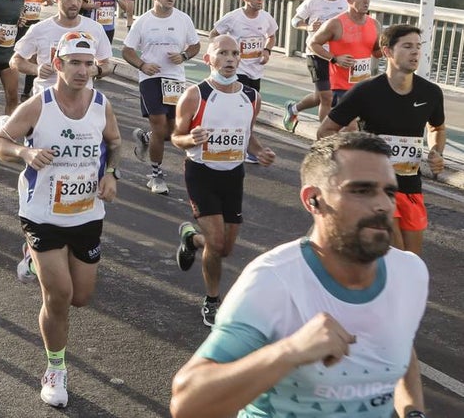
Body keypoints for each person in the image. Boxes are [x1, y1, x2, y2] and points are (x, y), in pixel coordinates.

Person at [170, 133, 428, 418]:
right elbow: (188, 403)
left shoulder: (410, 272)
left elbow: (403, 345)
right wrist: (290, 351)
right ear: (313, 200)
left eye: (389, 192)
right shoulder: (272, 281)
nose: (383, 204)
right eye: (361, 190)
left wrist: (413, 410)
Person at [0, 32, 121, 409]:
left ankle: (30, 258)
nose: (83, 70)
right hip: (42, 213)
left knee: (80, 298)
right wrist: (23, 151)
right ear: (58, 64)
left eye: (88, 63)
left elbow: (115, 142)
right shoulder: (39, 104)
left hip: (86, 213)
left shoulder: (100, 104)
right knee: (58, 296)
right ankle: (55, 369)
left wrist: (111, 174)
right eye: (74, 63)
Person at [171, 35, 276, 327]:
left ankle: (191, 239)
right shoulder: (195, 95)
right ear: (209, 59)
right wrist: (189, 138)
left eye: (234, 54)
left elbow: (247, 135)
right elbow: (176, 136)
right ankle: (212, 300)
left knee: (225, 249)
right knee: (216, 243)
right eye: (222, 53)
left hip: (233, 174)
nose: (230, 59)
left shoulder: (251, 97)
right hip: (201, 173)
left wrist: (260, 151)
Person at [317, 24, 446, 255]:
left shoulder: (431, 93)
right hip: (377, 188)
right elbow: (326, 131)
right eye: (407, 46)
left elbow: (437, 126)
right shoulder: (365, 91)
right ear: (386, 52)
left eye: (418, 47)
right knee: (395, 253)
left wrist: (436, 151)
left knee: (411, 260)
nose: (415, 52)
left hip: (410, 186)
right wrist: (354, 157)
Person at [122, 0, 201, 195]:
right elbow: (127, 50)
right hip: (150, 78)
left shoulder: (183, 19)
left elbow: (195, 45)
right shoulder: (143, 22)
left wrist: (184, 55)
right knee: (158, 124)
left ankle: (146, 139)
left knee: (173, 129)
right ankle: (156, 175)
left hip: (174, 79)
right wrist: (142, 65)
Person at [12, 0, 112, 96]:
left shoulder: (95, 28)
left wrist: (96, 70)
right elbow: (15, 60)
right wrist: (36, 69)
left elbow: (107, 64)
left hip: (81, 101)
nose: (75, 3)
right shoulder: (40, 29)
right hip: (46, 100)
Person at [283, 0, 351, 132]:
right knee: (327, 97)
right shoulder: (314, 1)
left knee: (320, 96)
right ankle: (325, 135)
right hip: (316, 53)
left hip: (338, 55)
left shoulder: (346, 2)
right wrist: (308, 27)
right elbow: (294, 21)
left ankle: (293, 109)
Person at [308, 0, 380, 114]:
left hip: (363, 86)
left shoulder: (375, 24)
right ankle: (325, 134)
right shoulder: (335, 23)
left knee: (357, 130)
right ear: (349, 0)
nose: (366, 1)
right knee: (350, 127)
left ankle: (326, 133)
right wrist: (335, 59)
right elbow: (313, 43)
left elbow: (376, 52)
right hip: (340, 87)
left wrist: (392, 47)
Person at [209, 0, 278, 92]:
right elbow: (213, 34)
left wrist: (267, 51)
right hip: (238, 69)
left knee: (252, 104)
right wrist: (222, 52)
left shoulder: (266, 17)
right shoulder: (233, 17)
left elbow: (272, 36)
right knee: (240, 100)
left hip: (256, 70)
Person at [17, 0, 56, 101]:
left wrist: (48, 1)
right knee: (16, 57)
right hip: (19, 24)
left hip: (34, 24)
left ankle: (26, 92)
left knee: (34, 58)